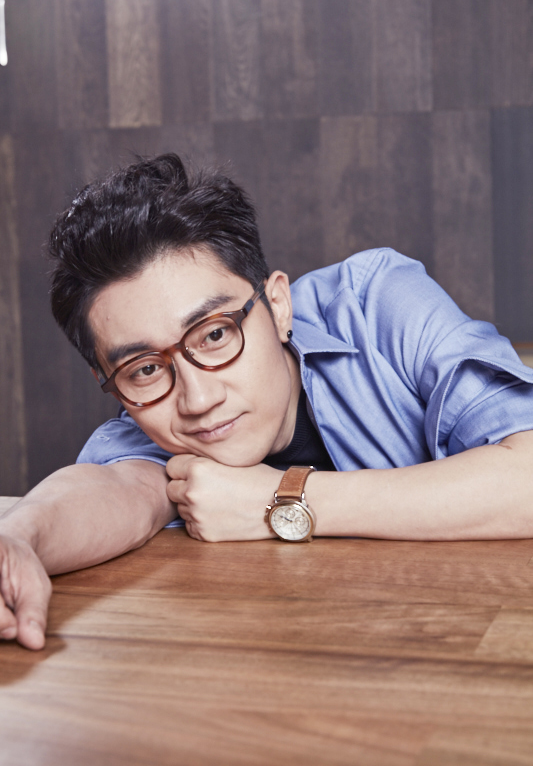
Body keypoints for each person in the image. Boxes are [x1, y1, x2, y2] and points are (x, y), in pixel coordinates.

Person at [2, 153, 533, 652]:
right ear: (111, 381)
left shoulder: (378, 302)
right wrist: (18, 540)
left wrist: (280, 500)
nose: (199, 399)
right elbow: (112, 490)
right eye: (144, 368)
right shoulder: (151, 427)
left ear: (278, 305)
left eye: (215, 335)